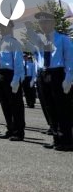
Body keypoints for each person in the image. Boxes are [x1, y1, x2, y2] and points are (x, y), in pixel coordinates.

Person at [26, 12, 73, 151]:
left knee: (62, 108)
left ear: (52, 23)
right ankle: (56, 138)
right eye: (41, 23)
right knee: (49, 108)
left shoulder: (62, 39)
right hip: (43, 74)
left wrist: (69, 77)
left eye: (46, 22)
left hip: (57, 74)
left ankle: (67, 140)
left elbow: (70, 59)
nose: (43, 25)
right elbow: (38, 57)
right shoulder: (41, 39)